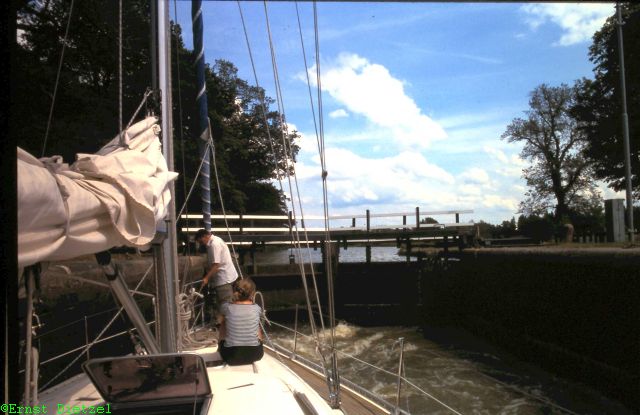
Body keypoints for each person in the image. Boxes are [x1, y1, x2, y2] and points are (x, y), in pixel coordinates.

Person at [217, 277, 264, 365]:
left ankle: (220, 347)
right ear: (252, 294)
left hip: (230, 356)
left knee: (223, 321)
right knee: (256, 323)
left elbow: (220, 321)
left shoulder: (226, 307)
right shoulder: (257, 308)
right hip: (256, 354)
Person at [195, 229, 239, 321]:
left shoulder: (214, 244)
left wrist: (206, 278)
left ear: (205, 236)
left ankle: (229, 326)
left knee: (225, 304)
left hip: (223, 279)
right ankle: (225, 324)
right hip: (228, 276)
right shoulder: (215, 241)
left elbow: (216, 265)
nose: (202, 244)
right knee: (225, 303)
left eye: (201, 241)